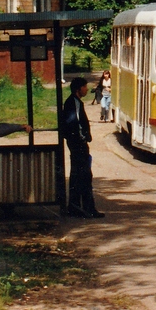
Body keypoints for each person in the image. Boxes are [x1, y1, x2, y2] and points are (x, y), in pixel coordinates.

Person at [63, 77, 103, 218]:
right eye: (84, 87)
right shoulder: (74, 103)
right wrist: (84, 137)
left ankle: (76, 207)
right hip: (78, 145)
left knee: (77, 176)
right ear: (78, 89)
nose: (87, 89)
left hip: (75, 145)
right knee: (85, 176)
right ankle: (88, 208)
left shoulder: (73, 102)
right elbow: (75, 123)